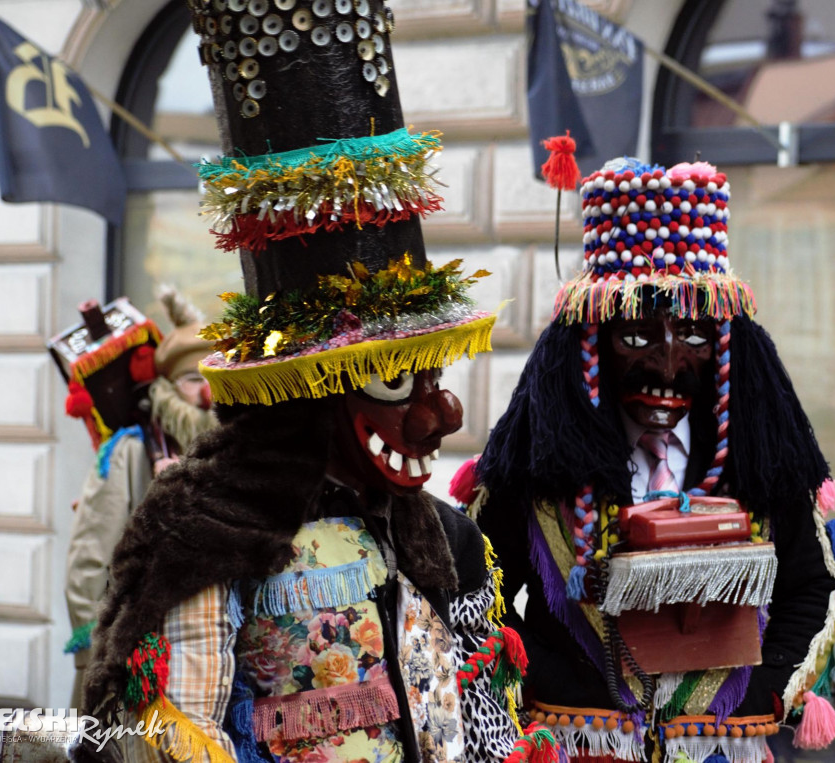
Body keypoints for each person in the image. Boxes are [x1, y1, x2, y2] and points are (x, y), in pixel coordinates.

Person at [74, 3, 557, 762]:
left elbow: (486, 718)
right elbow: (171, 738)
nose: (440, 414)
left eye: (435, 377)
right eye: (399, 382)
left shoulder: (444, 533)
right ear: (314, 388)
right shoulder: (212, 532)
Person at [453, 158, 835, 763]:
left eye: (695, 337)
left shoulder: (758, 461)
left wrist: (756, 694)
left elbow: (813, 585)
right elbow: (478, 594)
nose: (669, 364)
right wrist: (546, 685)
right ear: (592, 340)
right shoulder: (538, 465)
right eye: (638, 336)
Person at [59, 288, 216, 709]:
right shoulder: (131, 450)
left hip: (209, 656)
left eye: (213, 379)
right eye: (192, 380)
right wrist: (96, 658)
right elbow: (90, 560)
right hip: (136, 653)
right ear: (167, 387)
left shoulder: (230, 452)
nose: (206, 395)